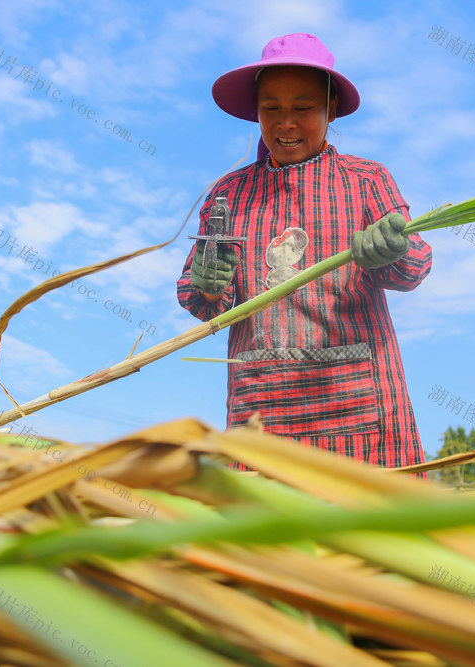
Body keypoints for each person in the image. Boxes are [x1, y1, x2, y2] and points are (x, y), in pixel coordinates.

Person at [176, 33, 432, 470]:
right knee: (262, 515)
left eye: (303, 108)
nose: (286, 123)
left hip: (357, 401)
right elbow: (202, 301)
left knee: (365, 513)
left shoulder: (366, 181)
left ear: (330, 107)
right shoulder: (228, 195)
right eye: (271, 109)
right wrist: (208, 285)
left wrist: (393, 252)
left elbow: (415, 266)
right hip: (262, 406)